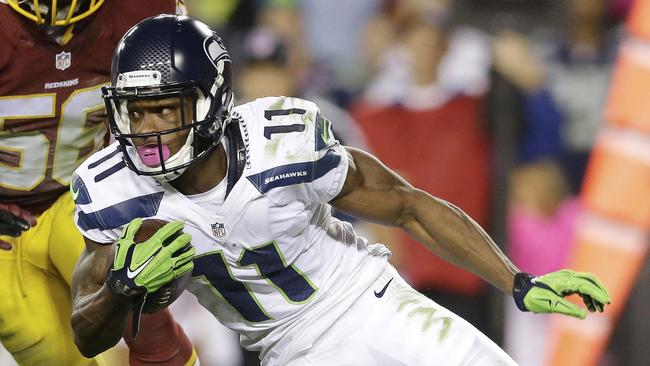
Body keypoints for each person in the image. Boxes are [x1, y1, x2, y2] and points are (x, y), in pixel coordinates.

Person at [70, 15, 611, 366]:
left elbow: (408, 206)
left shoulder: (281, 141)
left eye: (165, 108)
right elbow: (86, 333)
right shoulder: (114, 189)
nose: (147, 130)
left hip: (371, 299)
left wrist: (516, 280)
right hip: (293, 350)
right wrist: (122, 287)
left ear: (211, 101)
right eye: (135, 112)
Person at [0, 1, 197, 365]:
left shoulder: (139, 12)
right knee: (58, 354)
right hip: (4, 229)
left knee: (141, 292)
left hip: (80, 198)